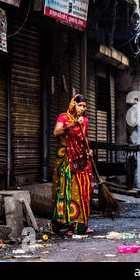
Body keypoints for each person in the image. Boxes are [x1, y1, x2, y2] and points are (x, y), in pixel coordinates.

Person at [51, 94, 95, 235]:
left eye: (84, 106)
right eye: (80, 105)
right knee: (67, 190)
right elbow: (56, 132)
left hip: (81, 160)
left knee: (84, 189)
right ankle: (67, 225)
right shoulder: (63, 117)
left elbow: (86, 138)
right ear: (72, 105)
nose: (82, 109)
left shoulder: (85, 121)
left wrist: (89, 150)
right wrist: (72, 125)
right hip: (66, 158)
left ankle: (81, 224)